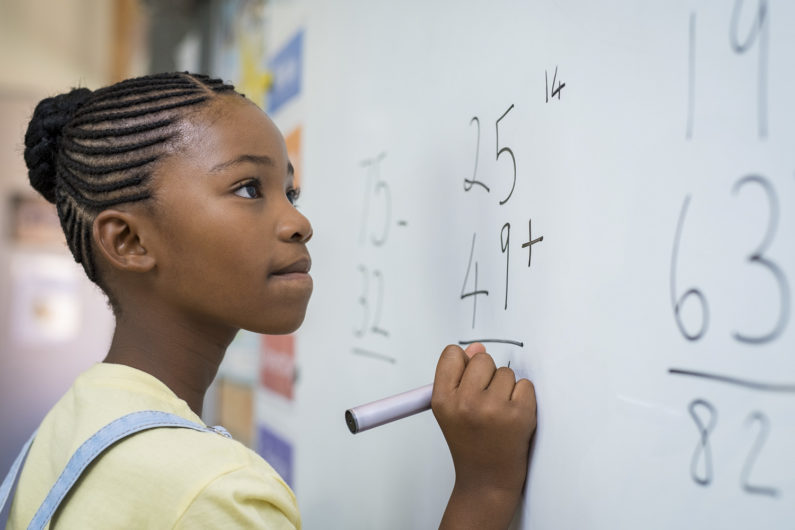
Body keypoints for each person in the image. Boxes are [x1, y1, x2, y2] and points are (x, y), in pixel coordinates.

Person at [3, 72, 537, 529]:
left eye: (291, 192)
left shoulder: (71, 424)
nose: (299, 223)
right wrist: (484, 489)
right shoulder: (213, 494)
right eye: (248, 190)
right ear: (130, 242)